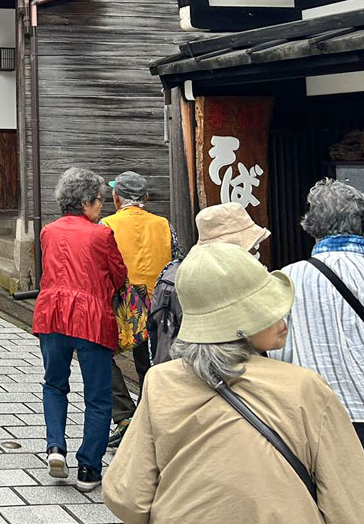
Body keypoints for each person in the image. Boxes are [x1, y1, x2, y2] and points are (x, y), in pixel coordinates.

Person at [104, 241, 364, 524]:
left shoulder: (161, 382)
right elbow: (356, 507)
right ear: (237, 323)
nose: (282, 316)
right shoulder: (304, 387)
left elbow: (127, 496)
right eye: (264, 307)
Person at [268, 180, 364, 522]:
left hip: (317, 417)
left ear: (311, 225)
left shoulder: (287, 279)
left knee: (328, 507)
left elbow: (278, 355)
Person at [33, 167, 127, 491]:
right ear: (86, 201)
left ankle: (56, 447)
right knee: (98, 397)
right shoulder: (101, 234)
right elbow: (119, 276)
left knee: (54, 384)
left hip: (52, 314)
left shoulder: (48, 231)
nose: (102, 206)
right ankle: (89, 468)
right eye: (100, 200)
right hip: (91, 317)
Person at [101, 172, 180, 447]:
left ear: (116, 198)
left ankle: (124, 417)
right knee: (150, 361)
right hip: (161, 302)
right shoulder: (164, 225)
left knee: (101, 355)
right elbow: (176, 261)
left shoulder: (107, 224)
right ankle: (148, 416)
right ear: (145, 199)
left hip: (123, 303)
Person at [148, 202, 270, 366]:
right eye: (251, 247)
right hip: (206, 372)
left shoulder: (178, 273)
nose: (253, 252)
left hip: (175, 366)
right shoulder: (208, 282)